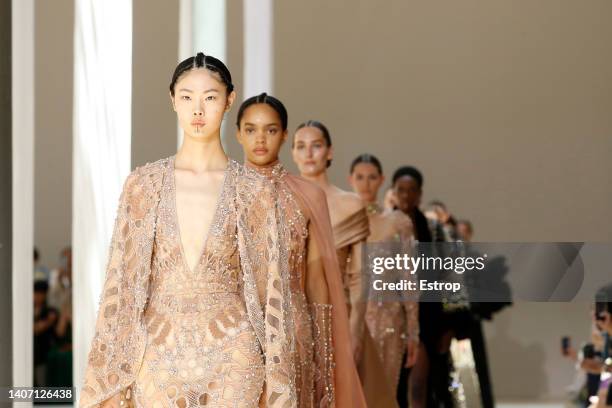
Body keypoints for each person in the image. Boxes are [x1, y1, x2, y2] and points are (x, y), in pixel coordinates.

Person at [80, 53, 297, 407]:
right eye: (186, 97)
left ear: (229, 100)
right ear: (172, 100)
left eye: (210, 97)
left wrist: (277, 377)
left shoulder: (254, 191)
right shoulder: (143, 185)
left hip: (234, 355)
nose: (198, 109)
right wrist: (111, 374)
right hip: (157, 355)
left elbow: (271, 291)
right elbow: (122, 286)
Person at [235, 93, 367, 407]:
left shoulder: (307, 195)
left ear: (283, 135)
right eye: (251, 129)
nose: (260, 139)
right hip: (234, 333)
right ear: (238, 133)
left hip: (293, 332)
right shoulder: (222, 194)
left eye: (270, 129)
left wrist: (325, 359)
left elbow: (318, 284)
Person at [348, 154, 419, 401]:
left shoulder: (398, 221)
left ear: (381, 180)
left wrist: (413, 331)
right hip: (351, 319)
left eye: (371, 177)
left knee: (384, 395)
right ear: (350, 180)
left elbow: (409, 278)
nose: (365, 183)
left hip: (390, 321)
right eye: (359, 177)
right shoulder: (341, 220)